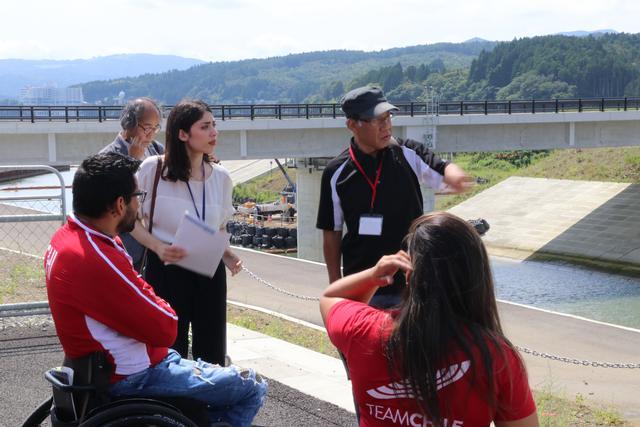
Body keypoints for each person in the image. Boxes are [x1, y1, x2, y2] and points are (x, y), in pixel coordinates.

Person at [45, 153, 266, 427]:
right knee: (251, 386)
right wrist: (152, 299)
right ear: (119, 204)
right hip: (133, 375)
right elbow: (166, 328)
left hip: (97, 367)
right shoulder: (96, 257)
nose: (140, 203)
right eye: (138, 195)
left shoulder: (66, 240)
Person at [320, 212, 538, 427]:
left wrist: (373, 276)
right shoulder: (496, 357)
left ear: (408, 274)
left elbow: (331, 297)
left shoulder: (364, 330)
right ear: (478, 277)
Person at [316, 86, 472, 309]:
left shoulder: (407, 152)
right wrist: (336, 284)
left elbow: (441, 169)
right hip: (362, 286)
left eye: (388, 116)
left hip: (411, 285)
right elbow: (332, 232)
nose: (386, 125)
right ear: (352, 125)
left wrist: (455, 175)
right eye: (376, 119)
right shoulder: (336, 173)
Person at [131, 99, 241, 366]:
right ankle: (169, 407)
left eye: (214, 125)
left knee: (212, 351)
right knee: (169, 349)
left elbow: (219, 226)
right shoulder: (153, 169)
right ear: (182, 133)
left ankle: (207, 405)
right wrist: (157, 246)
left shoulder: (222, 177)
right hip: (166, 267)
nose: (214, 132)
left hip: (209, 269)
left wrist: (226, 254)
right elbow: (130, 221)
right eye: (205, 127)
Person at [99, 97, 165, 270]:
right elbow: (112, 201)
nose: (150, 134)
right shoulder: (107, 156)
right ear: (129, 123)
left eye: (155, 128)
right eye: (146, 127)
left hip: (156, 241)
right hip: (126, 246)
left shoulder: (156, 149)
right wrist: (132, 160)